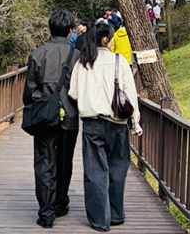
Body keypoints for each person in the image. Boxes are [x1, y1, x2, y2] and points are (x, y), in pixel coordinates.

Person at [69, 21, 141, 232]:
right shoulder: (120, 61)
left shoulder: (82, 62)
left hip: (92, 123)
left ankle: (100, 220)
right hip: (117, 123)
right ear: (105, 39)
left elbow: (73, 92)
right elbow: (130, 96)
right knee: (118, 169)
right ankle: (117, 214)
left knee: (95, 171)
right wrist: (135, 123)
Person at [24, 9, 80, 228]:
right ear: (70, 31)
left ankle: (46, 212)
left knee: (44, 163)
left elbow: (29, 92)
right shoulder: (77, 56)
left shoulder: (37, 54)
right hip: (69, 118)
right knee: (64, 162)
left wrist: (39, 103)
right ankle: (60, 204)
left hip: (45, 118)